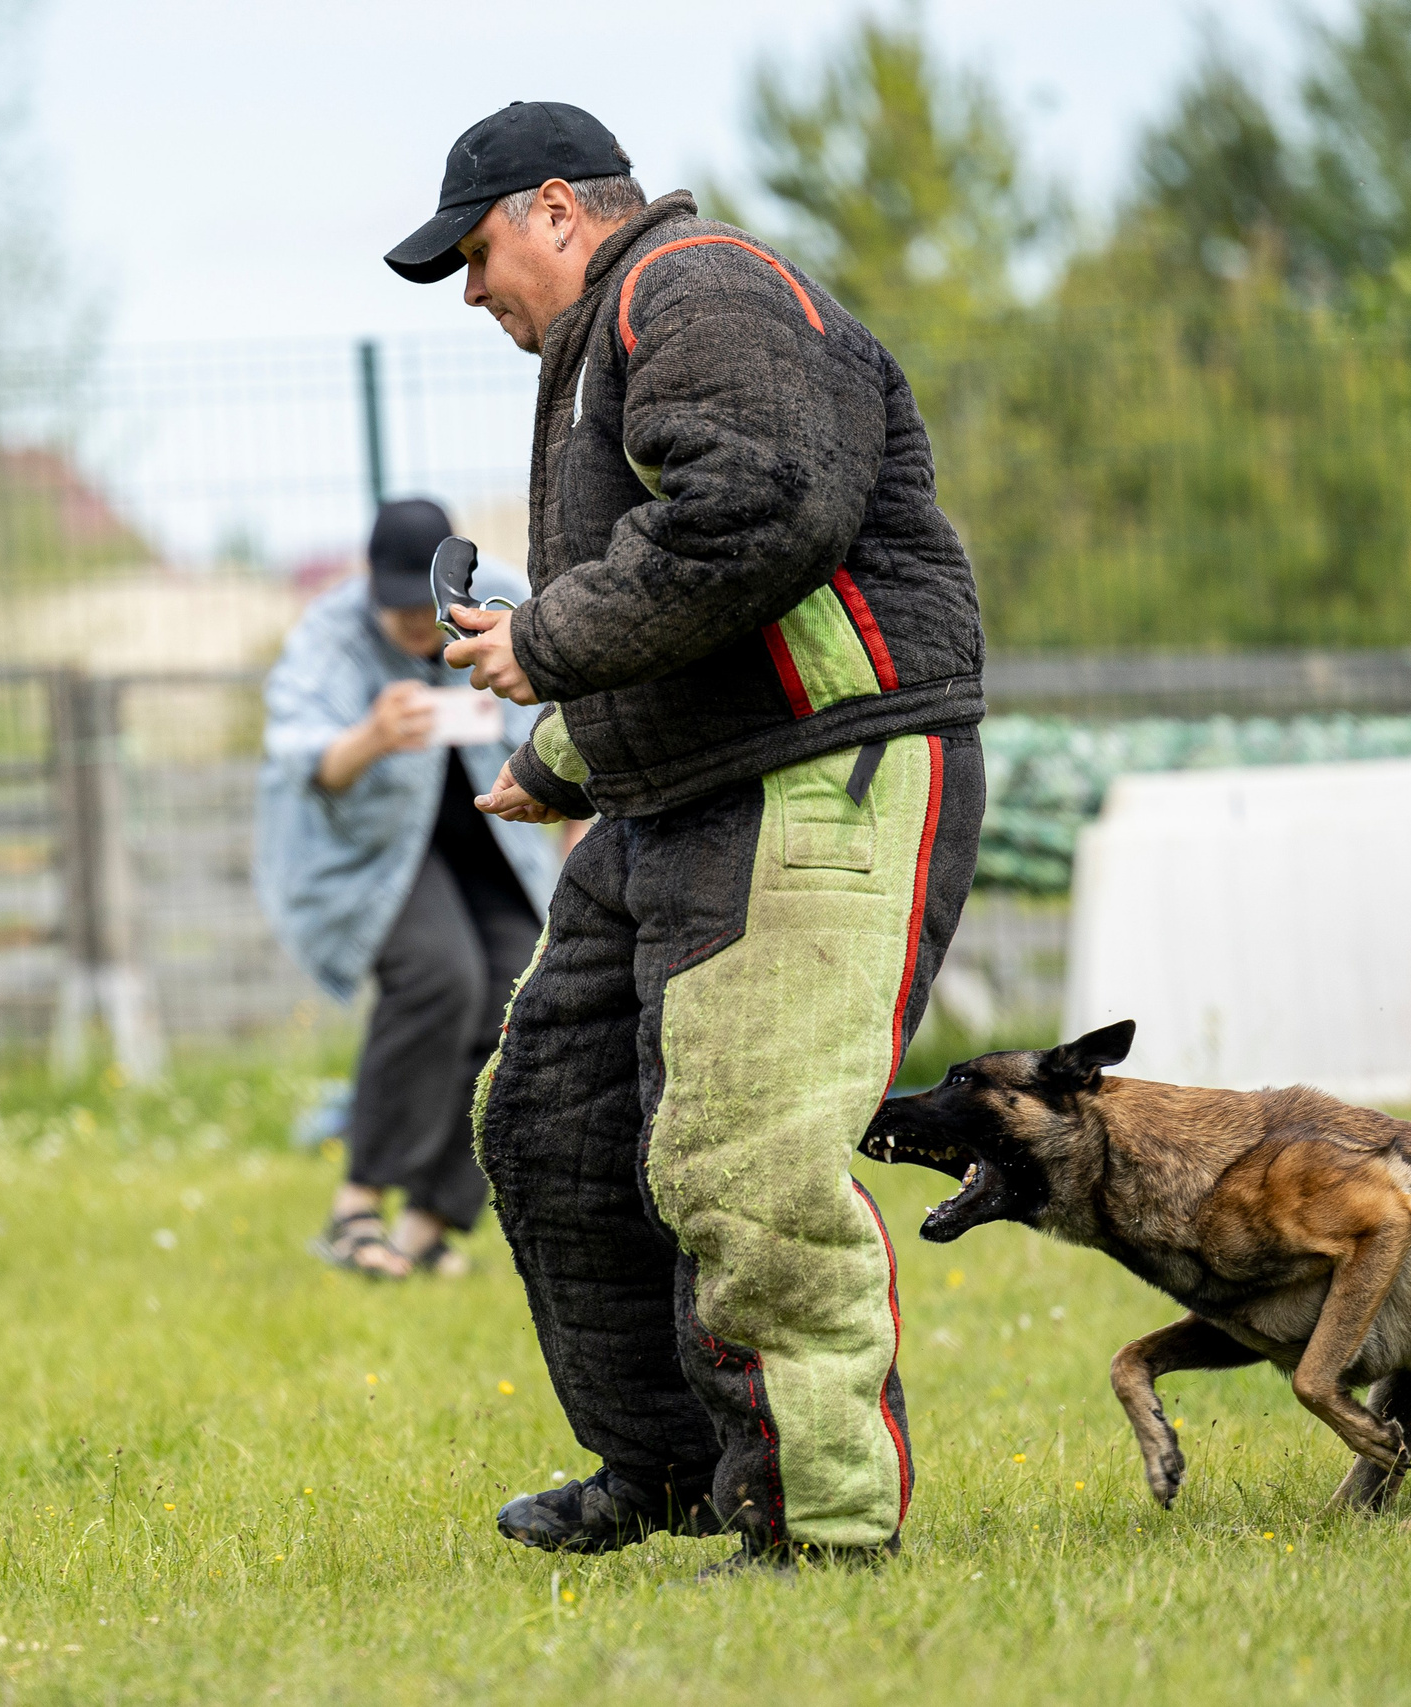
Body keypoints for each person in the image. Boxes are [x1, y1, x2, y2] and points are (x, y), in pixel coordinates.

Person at [386, 103, 988, 1571]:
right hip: (695, 786)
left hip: (824, 776)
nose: (470, 292)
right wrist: (563, 754)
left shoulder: (696, 286)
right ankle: (665, 1464)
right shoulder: (611, 337)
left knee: (745, 1157)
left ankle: (816, 1525)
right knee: (553, 1118)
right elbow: (706, 616)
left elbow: (758, 513)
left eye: (474, 255)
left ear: (555, 209)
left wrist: (545, 639)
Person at [255, 498, 559, 1278]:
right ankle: (356, 1205)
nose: (419, 628)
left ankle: (427, 1226)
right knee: (436, 974)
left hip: (493, 841)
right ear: (371, 588)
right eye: (400, 614)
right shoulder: (329, 633)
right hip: (374, 857)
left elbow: (571, 711)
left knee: (522, 996)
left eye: (428, 610)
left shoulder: (506, 603)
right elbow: (302, 759)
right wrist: (372, 736)